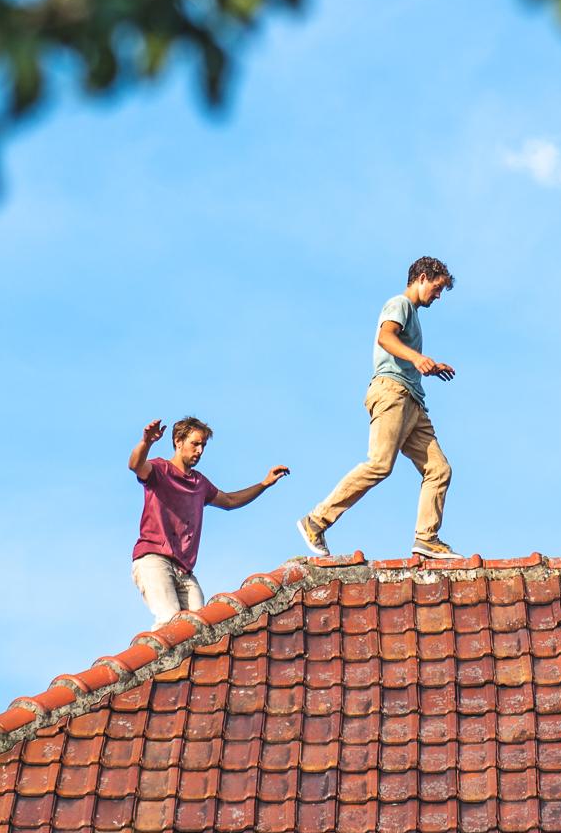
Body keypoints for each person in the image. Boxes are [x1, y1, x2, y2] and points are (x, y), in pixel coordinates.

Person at [297, 256, 458, 560]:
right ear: (422, 277)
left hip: (413, 401)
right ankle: (316, 521)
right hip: (392, 393)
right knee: (380, 464)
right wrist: (416, 358)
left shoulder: (414, 315)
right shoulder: (400, 304)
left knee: (439, 469)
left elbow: (404, 353)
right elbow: (385, 337)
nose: (438, 297)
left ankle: (426, 538)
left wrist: (429, 365)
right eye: (437, 289)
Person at [129, 416, 289, 624]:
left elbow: (230, 500)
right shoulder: (160, 470)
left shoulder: (199, 484)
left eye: (203, 445)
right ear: (178, 442)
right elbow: (135, 465)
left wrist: (264, 483)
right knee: (169, 621)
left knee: (201, 627)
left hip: (184, 571)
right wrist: (146, 442)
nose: (200, 450)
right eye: (195, 444)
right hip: (154, 559)